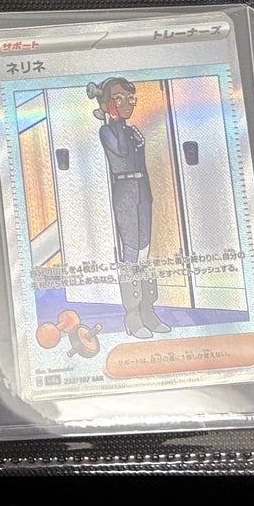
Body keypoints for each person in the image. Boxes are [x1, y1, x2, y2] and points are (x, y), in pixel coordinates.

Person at [92, 77, 169, 340]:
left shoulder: (132, 130)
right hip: (124, 191)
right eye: (119, 99)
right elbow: (122, 154)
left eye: (130, 98)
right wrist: (114, 120)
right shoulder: (107, 132)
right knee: (131, 253)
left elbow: (141, 162)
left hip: (142, 190)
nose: (127, 104)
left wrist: (148, 194)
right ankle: (132, 315)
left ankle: (148, 310)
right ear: (106, 104)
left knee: (145, 251)